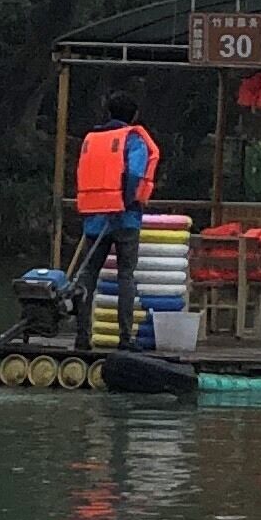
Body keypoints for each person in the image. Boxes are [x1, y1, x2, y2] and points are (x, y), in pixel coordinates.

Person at [66, 88, 159, 352]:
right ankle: (125, 338)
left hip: (95, 217)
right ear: (134, 115)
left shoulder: (91, 139)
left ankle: (82, 337)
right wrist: (127, 201)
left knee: (87, 275)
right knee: (125, 276)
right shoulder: (132, 139)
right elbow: (134, 174)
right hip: (124, 218)